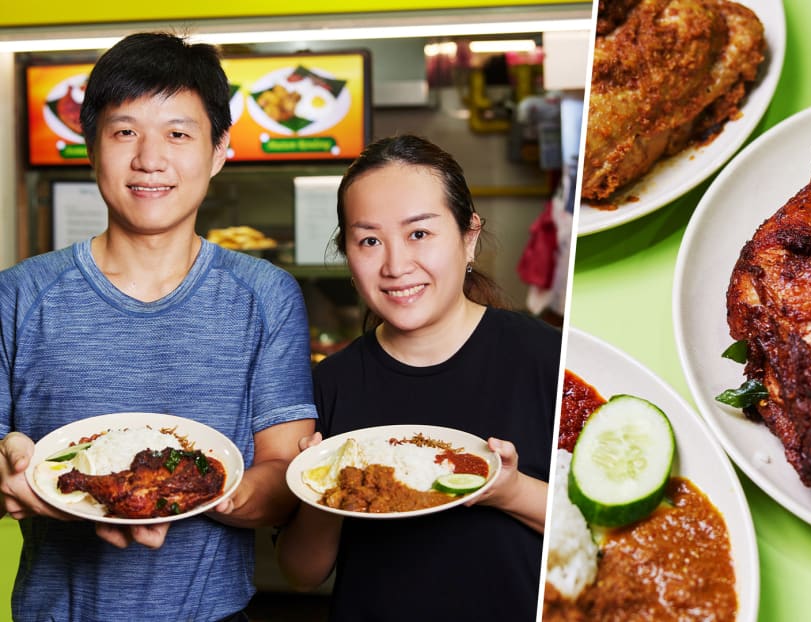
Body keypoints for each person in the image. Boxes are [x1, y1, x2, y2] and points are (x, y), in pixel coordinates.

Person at [0, 32, 317, 621]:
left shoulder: (266, 296)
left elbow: (281, 479)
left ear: (220, 149)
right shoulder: (19, 295)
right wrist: (11, 474)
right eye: (125, 131)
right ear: (90, 145)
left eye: (178, 133)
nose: (150, 159)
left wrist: (184, 492)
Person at [276, 134, 561, 622]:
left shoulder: (546, 356)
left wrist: (511, 491)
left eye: (419, 234)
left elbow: (603, 524)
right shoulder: (332, 381)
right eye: (369, 240)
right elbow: (301, 572)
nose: (395, 265)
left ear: (469, 237)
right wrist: (321, 488)